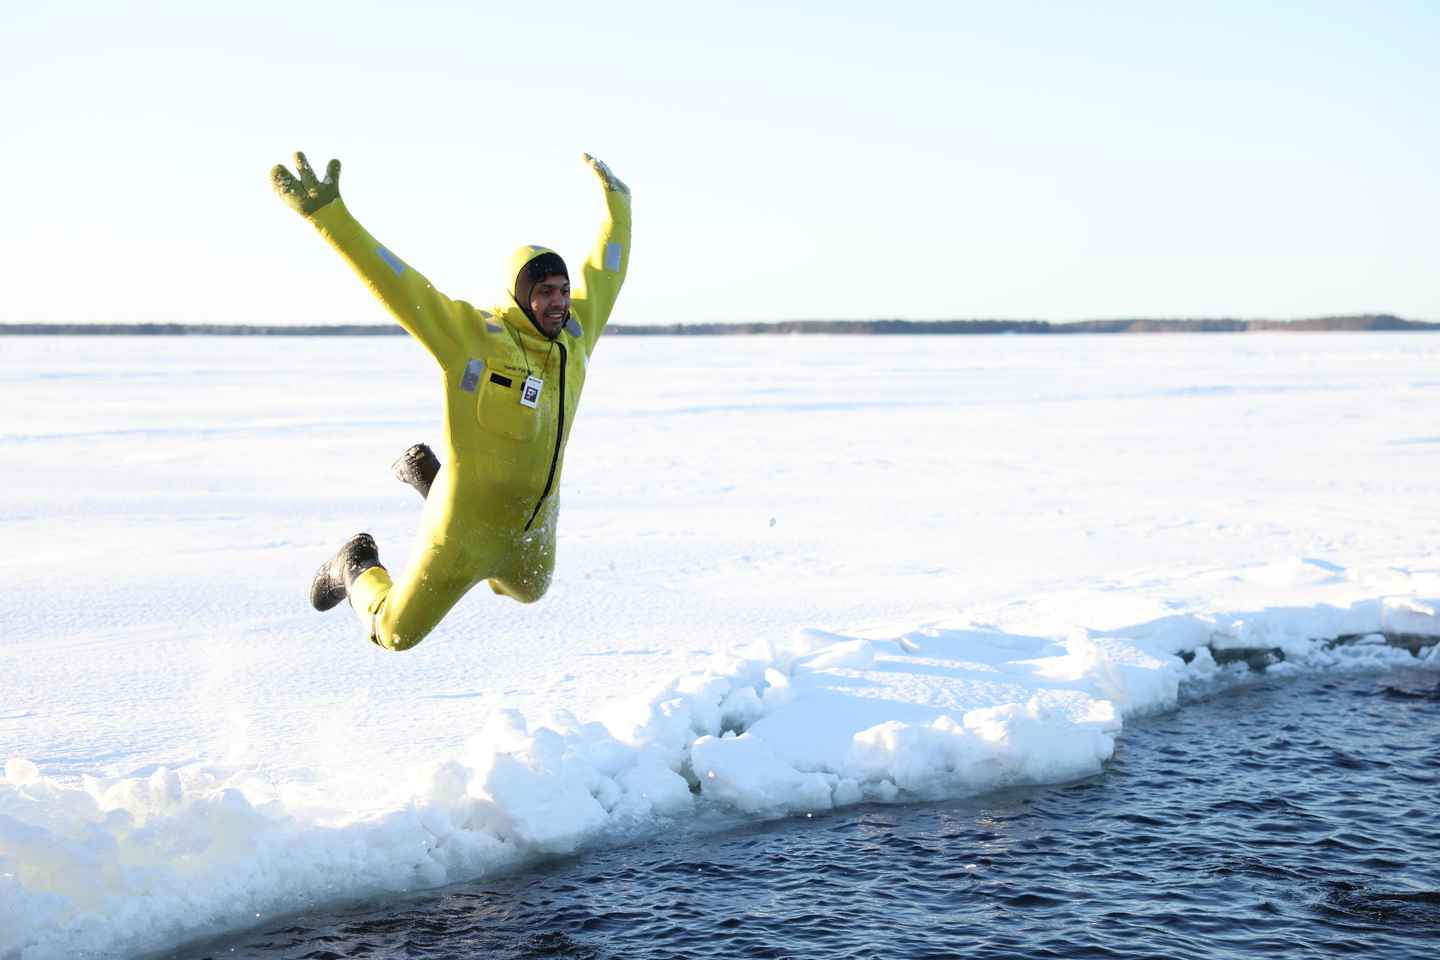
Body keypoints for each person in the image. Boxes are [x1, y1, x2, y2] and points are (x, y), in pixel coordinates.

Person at [271, 150, 631, 651]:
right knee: (394, 633)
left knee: (530, 589)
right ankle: (354, 563)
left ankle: (430, 479)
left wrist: (619, 204)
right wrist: (329, 216)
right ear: (521, 293)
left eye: (564, 290)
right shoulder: (475, 339)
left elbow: (608, 270)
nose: (559, 301)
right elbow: (400, 285)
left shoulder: (573, 337)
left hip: (529, 532)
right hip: (462, 533)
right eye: (545, 291)